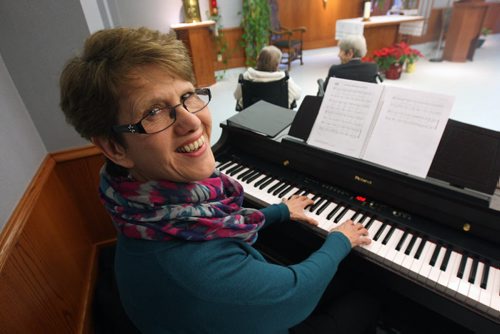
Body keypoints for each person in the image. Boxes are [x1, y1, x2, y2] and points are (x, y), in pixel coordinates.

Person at [60, 27, 378, 334]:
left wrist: (279, 211)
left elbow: (216, 223)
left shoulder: (136, 204)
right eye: (153, 111)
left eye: (187, 96)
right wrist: (340, 239)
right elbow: (294, 295)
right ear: (115, 147)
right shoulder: (194, 273)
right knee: (369, 297)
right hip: (277, 316)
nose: (191, 122)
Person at [234, 45, 301, 110]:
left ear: (258, 60)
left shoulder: (246, 76)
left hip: (252, 118)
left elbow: (236, 96)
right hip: (279, 118)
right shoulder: (284, 79)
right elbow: (298, 95)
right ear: (277, 64)